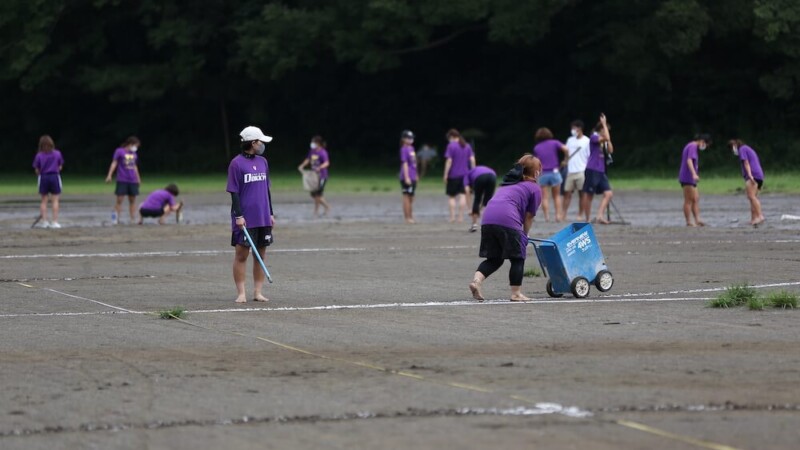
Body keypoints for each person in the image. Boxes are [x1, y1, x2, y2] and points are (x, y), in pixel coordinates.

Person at [468, 154, 542, 302]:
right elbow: (528, 217)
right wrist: (524, 235)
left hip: (488, 219)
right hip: (507, 220)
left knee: (495, 259)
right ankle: (516, 293)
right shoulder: (534, 188)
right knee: (518, 258)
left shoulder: (508, 184)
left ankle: (476, 282)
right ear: (536, 173)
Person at [227, 126, 275, 304]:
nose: (262, 144)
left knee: (260, 255)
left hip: (263, 216)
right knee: (241, 255)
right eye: (260, 141)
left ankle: (257, 291)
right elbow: (234, 192)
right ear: (253, 143)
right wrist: (238, 216)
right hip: (245, 217)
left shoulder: (263, 161)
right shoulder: (236, 163)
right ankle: (241, 293)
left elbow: (267, 190)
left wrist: (270, 213)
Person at [580, 114, 614, 224]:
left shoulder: (603, 141)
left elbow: (610, 150)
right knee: (589, 194)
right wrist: (604, 124)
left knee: (608, 193)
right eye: (605, 130)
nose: (606, 131)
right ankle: (588, 218)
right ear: (600, 130)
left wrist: (607, 140)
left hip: (601, 170)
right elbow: (606, 137)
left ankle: (600, 215)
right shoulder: (594, 137)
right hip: (592, 169)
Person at [532, 127, 568, 222]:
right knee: (556, 196)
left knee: (545, 197)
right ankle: (558, 216)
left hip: (543, 173)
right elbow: (566, 149)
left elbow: (536, 161)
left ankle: (547, 217)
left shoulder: (537, 147)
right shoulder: (555, 143)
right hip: (554, 172)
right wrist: (565, 160)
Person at [105, 136, 141, 224]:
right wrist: (109, 175)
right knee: (119, 200)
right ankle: (115, 218)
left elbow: (135, 166)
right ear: (130, 144)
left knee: (132, 200)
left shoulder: (134, 154)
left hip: (132, 180)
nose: (136, 148)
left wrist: (138, 178)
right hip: (122, 179)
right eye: (135, 145)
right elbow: (114, 163)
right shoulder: (119, 151)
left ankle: (133, 218)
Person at [729, 139, 765, 226]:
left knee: (751, 197)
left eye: (731, 148)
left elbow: (746, 162)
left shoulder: (742, 149)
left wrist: (750, 175)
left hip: (753, 175)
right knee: (753, 198)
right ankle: (754, 218)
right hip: (759, 175)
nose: (732, 150)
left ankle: (760, 216)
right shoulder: (748, 149)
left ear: (735, 145)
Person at [443, 129, 476, 223]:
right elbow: (472, 159)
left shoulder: (451, 146)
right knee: (463, 195)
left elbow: (449, 161)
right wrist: (473, 171)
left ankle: (452, 217)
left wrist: (445, 174)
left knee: (452, 197)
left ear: (451, 137)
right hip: (465, 175)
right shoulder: (467, 145)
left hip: (453, 175)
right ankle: (460, 218)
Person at [678, 133, 711, 227]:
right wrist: (694, 174)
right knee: (688, 200)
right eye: (706, 144)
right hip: (687, 177)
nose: (705, 146)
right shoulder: (692, 146)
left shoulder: (693, 146)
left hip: (691, 178)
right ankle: (689, 221)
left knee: (695, 199)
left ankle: (697, 220)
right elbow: (689, 160)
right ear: (702, 141)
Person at [32, 135, 64, 229]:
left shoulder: (39, 155)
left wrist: (41, 173)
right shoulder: (57, 154)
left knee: (44, 201)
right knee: (55, 200)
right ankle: (54, 222)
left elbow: (37, 169)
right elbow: (60, 166)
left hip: (43, 177)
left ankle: (45, 222)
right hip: (54, 176)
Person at [562, 120, 591, 221]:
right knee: (567, 193)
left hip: (581, 170)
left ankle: (580, 214)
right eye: (572, 128)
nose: (573, 130)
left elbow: (589, 156)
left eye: (574, 128)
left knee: (582, 193)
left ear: (580, 129)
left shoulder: (587, 141)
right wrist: (565, 161)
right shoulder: (570, 140)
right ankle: (563, 214)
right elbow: (567, 154)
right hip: (570, 170)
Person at [297, 136, 331, 218]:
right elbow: (308, 160)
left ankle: (317, 211)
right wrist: (302, 166)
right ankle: (326, 207)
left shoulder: (323, 152)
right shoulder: (312, 151)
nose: (312, 144)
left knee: (318, 194)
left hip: (322, 176)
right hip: (314, 176)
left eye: (313, 142)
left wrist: (320, 167)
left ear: (318, 143)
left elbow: (327, 163)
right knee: (314, 194)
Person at [463, 165, 497, 232]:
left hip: (480, 177)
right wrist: (480, 209)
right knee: (487, 201)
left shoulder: (466, 175)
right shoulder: (476, 169)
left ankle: (474, 225)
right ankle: (487, 224)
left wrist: (469, 209)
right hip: (493, 175)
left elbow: (467, 191)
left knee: (477, 199)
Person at [399, 130, 419, 224]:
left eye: (411, 137)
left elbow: (414, 163)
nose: (411, 139)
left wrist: (416, 174)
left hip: (413, 175)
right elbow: (405, 163)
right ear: (403, 139)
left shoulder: (411, 148)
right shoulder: (404, 149)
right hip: (407, 176)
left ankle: (411, 215)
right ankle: (407, 217)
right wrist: (406, 177)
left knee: (412, 197)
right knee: (407, 196)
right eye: (408, 137)